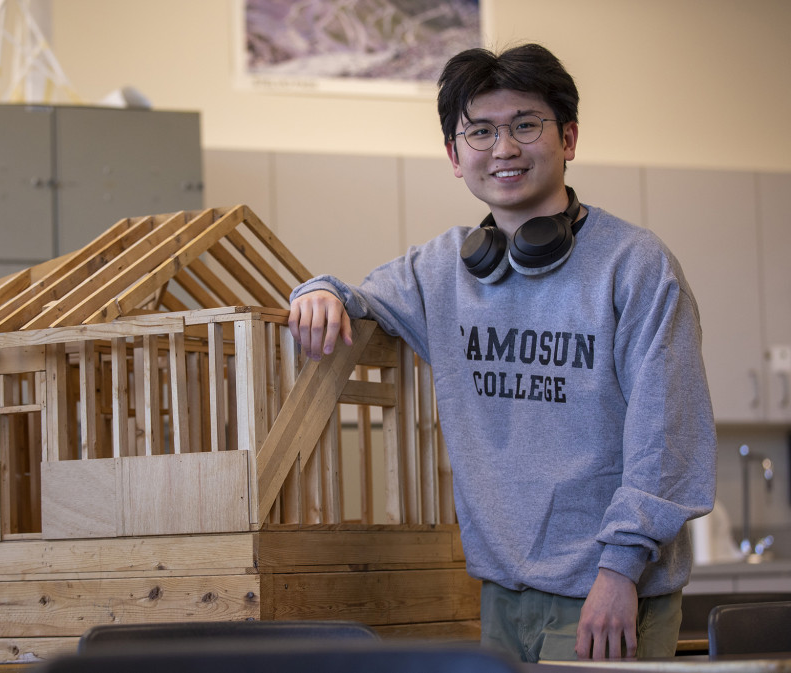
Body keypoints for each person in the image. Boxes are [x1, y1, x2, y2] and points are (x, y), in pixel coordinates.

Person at [288, 43, 716, 663]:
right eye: (480, 132)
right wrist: (318, 291)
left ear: (568, 138)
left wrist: (620, 572)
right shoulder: (439, 270)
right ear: (454, 156)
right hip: (499, 596)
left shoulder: (635, 266)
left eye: (525, 125)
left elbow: (668, 435)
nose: (504, 149)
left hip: (608, 596)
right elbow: (355, 297)